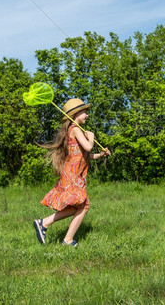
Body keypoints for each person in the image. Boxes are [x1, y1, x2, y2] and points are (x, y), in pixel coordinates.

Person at [33, 98, 111, 247]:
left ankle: (45, 225)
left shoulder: (75, 129)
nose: (87, 115)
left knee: (78, 207)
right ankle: (64, 238)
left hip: (74, 175)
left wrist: (101, 155)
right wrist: (92, 138)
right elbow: (88, 147)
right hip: (72, 176)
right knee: (84, 206)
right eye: (85, 112)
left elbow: (85, 155)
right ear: (75, 114)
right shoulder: (75, 129)